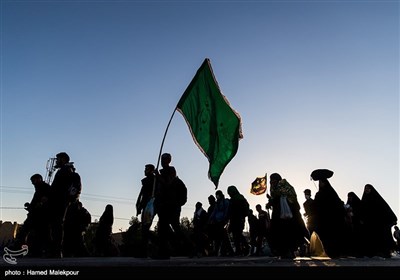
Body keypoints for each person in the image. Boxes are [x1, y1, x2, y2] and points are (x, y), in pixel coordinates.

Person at [153, 153, 189, 259]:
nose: (162, 161)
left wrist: (158, 177)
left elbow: (168, 184)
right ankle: (163, 252)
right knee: (162, 229)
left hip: (172, 205)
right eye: (161, 159)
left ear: (169, 160)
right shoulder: (161, 173)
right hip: (163, 205)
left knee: (176, 227)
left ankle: (191, 247)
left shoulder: (171, 171)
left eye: (164, 159)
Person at [266, 173, 309, 259]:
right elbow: (276, 200)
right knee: (281, 233)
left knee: (288, 233)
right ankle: (285, 251)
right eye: (271, 181)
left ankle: (289, 251)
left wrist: (271, 201)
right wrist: (270, 201)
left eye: (274, 180)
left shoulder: (282, 187)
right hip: (280, 217)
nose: (272, 182)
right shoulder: (279, 188)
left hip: (288, 216)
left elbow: (281, 199)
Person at [48, 152, 81, 258]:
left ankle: (56, 251)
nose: (56, 161)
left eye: (58, 159)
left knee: (57, 225)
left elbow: (65, 188)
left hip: (60, 201)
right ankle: (55, 250)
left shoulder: (67, 170)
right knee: (55, 225)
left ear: (63, 159)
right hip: (58, 201)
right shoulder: (63, 171)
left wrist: (67, 199)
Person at [310, 169, 347, 258]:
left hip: (332, 220)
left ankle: (335, 253)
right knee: (325, 237)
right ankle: (332, 253)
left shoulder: (330, 193)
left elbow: (338, 204)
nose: (320, 184)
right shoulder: (319, 194)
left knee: (332, 236)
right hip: (323, 221)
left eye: (322, 182)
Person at [359, 184, 397, 258]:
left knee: (381, 236)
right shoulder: (364, 200)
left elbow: (386, 208)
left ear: (371, 189)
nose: (366, 190)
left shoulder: (377, 198)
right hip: (368, 222)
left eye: (368, 188)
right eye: (365, 188)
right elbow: (361, 211)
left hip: (378, 222)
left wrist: (393, 218)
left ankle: (383, 252)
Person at [21, 174, 52, 257]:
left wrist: (40, 205)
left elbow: (45, 201)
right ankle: (35, 251)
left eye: (33, 181)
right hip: (35, 214)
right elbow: (36, 202)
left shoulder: (45, 188)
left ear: (39, 179)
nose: (32, 183)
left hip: (41, 216)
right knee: (32, 233)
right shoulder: (38, 189)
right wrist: (30, 206)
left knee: (41, 234)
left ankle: (39, 251)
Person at [135, 163, 156, 257]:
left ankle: (150, 248)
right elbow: (141, 194)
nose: (145, 171)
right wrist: (138, 204)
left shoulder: (155, 180)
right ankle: (143, 251)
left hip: (151, 206)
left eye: (146, 169)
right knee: (144, 229)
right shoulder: (146, 181)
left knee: (145, 228)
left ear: (151, 170)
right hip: (145, 206)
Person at [226, 185, 250, 256]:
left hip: (238, 219)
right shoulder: (240, 198)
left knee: (237, 235)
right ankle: (239, 250)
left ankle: (243, 248)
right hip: (237, 219)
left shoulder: (236, 199)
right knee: (237, 235)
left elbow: (231, 210)